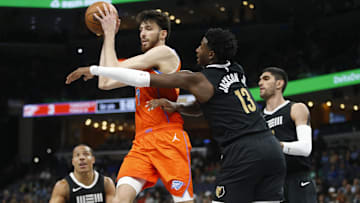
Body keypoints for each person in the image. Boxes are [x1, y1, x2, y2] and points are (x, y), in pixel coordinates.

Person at [66, 28, 286, 203]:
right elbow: (209, 105)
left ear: (211, 54)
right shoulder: (237, 70)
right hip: (271, 147)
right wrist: (178, 107)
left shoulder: (199, 79)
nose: (196, 49)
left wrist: (95, 70)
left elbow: (143, 79)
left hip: (243, 151)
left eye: (201, 46)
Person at [69, 6, 194, 203]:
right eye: (140, 30)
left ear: (163, 34)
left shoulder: (165, 53)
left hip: (168, 138)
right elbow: (105, 82)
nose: (142, 34)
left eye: (148, 28)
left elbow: (110, 69)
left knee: (184, 200)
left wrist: (109, 33)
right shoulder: (142, 64)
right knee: (120, 199)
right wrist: (108, 37)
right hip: (141, 143)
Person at [258, 67, 317, 203]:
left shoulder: (296, 108)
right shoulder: (258, 120)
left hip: (297, 179)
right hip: (271, 183)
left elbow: (306, 148)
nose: (260, 83)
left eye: (266, 79)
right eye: (260, 80)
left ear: (279, 83)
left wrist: (276, 146)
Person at [49, 144, 116, 203]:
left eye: (86, 154)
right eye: (77, 155)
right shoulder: (63, 186)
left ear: (93, 159)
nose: (81, 158)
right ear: (72, 162)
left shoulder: (106, 183)